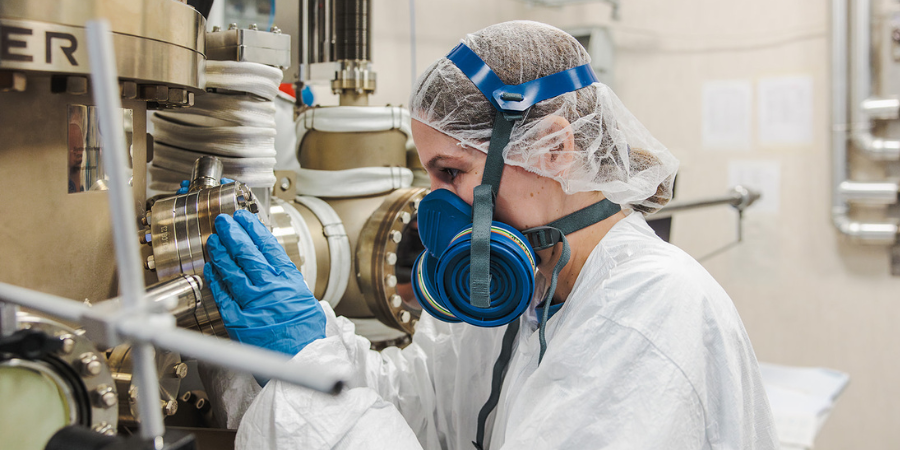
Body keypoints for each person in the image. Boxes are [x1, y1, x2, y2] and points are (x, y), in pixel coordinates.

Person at [204, 21, 778, 450]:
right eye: (429, 176)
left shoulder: (647, 310)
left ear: (553, 148)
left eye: (452, 173)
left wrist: (312, 374)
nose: (437, 207)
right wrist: (308, 346)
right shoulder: (526, 295)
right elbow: (416, 408)